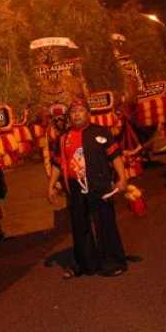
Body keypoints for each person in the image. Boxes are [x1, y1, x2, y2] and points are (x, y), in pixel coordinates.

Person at [46, 98, 128, 278]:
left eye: (80, 111)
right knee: (79, 227)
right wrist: (51, 185)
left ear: (88, 114)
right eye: (73, 112)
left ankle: (113, 263)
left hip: (100, 186)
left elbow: (115, 156)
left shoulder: (101, 132)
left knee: (105, 224)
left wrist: (122, 178)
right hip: (75, 188)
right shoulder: (63, 138)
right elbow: (57, 163)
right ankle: (85, 264)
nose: (76, 115)